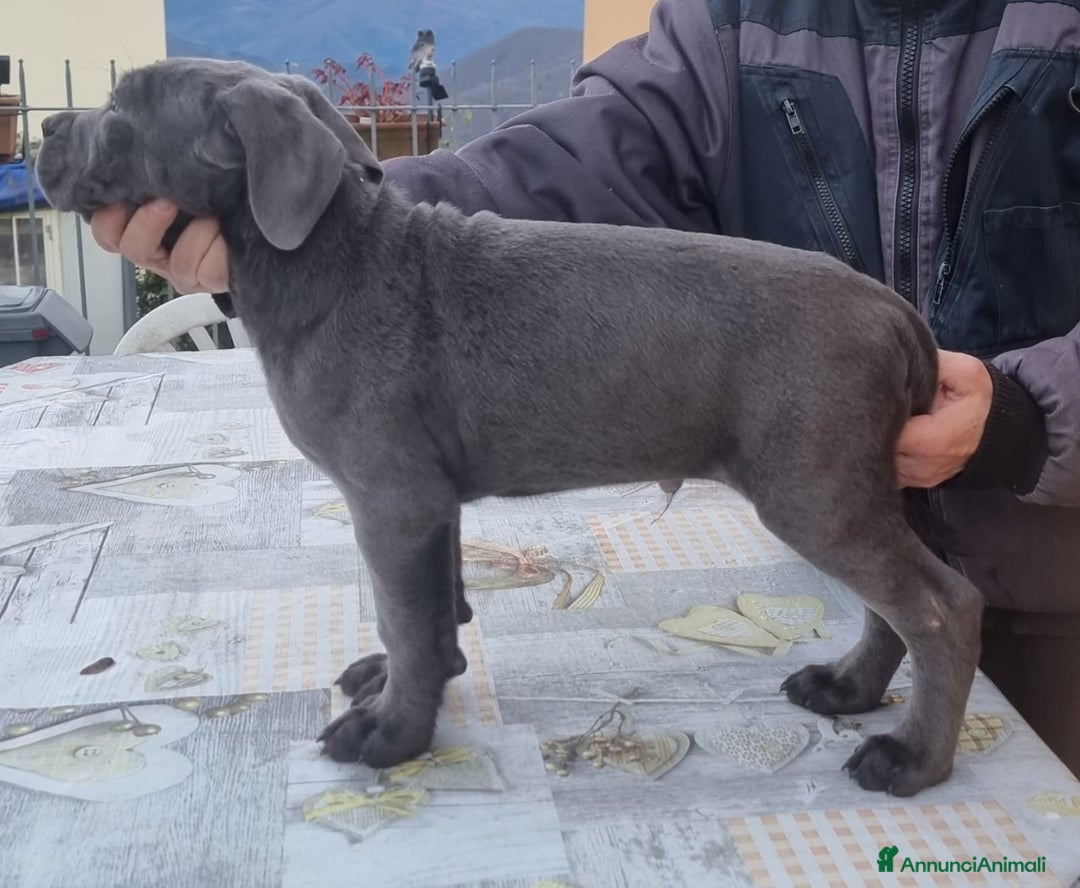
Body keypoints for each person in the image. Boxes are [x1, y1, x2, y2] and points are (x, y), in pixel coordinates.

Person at [92, 0, 1080, 774]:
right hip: (827, 459)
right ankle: (883, 653)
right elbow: (565, 161)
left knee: (840, 528)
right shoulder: (736, 19)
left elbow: (401, 508)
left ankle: (928, 659)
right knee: (849, 532)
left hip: (1057, 600)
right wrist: (341, 223)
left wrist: (1034, 413)